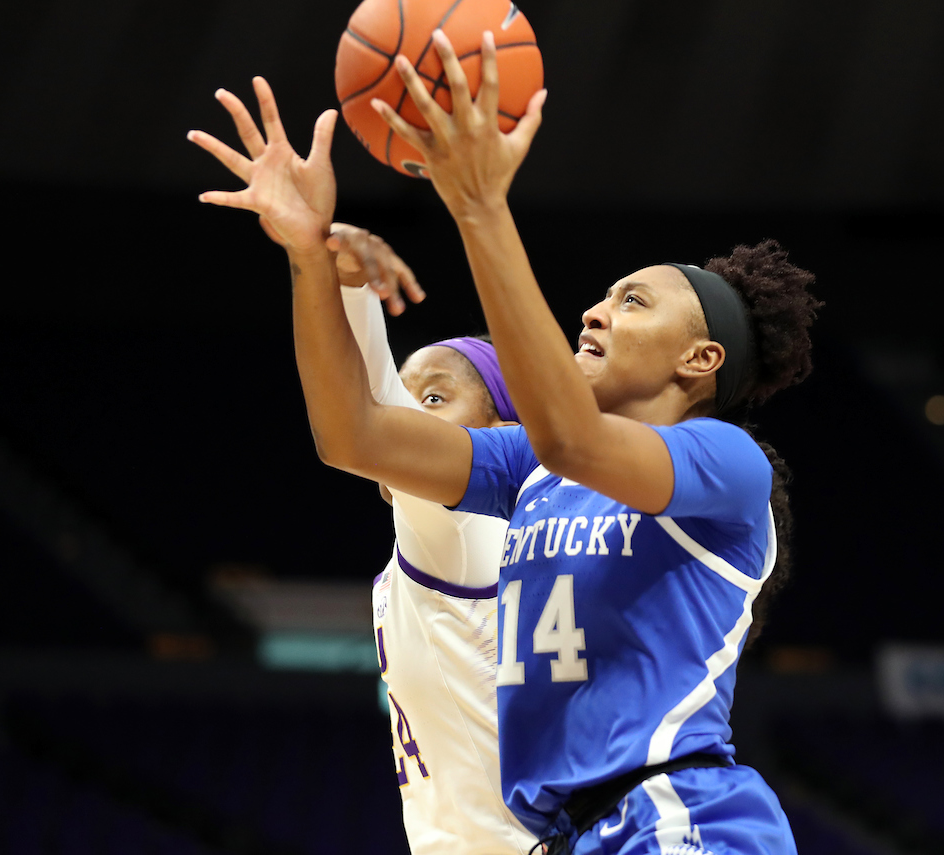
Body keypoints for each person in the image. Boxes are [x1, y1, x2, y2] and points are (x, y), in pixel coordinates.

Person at [189, 23, 820, 854]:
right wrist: (308, 256)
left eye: (633, 302)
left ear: (700, 359)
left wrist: (479, 205)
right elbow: (355, 435)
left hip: (681, 816)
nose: (594, 312)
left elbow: (571, 439)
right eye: (604, 296)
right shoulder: (535, 470)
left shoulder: (728, 464)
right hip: (577, 834)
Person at [189, 90, 536, 855]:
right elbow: (371, 399)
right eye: (409, 396)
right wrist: (325, 259)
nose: (405, 413)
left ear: (500, 433)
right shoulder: (471, 544)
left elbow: (367, 409)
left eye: (434, 398)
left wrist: (322, 261)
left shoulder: (464, 528)